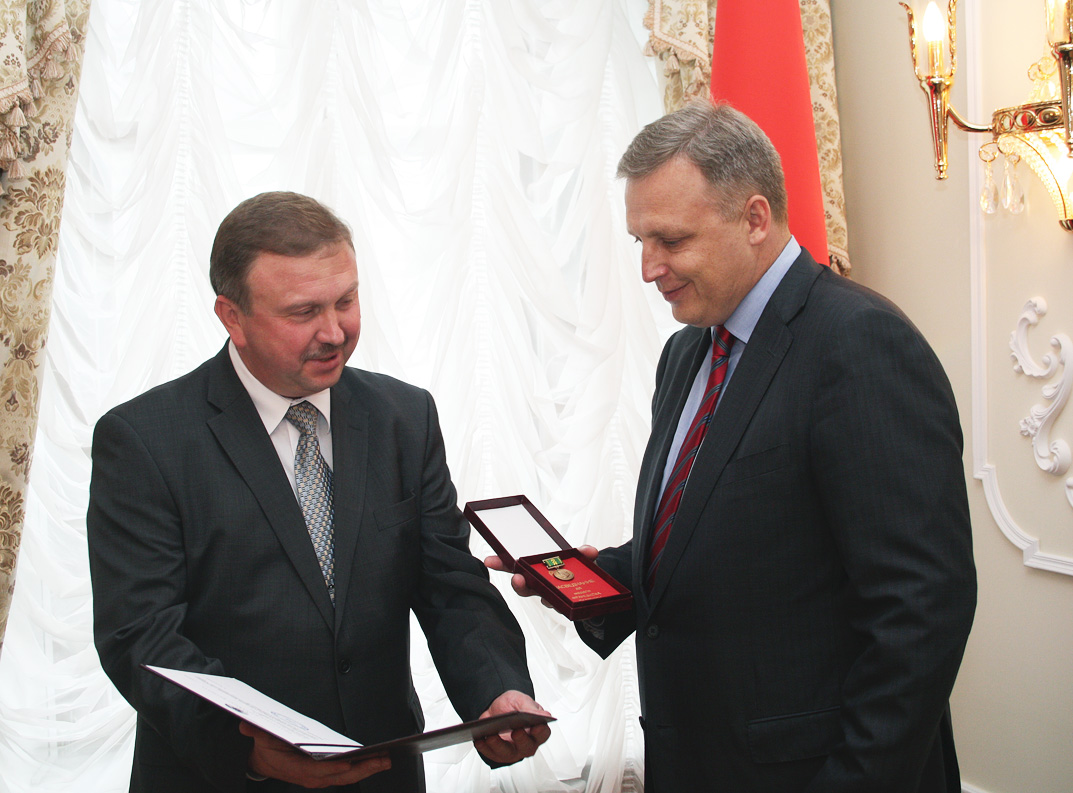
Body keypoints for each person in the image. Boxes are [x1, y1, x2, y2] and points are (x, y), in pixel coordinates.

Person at [488, 102, 976, 792]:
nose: (649, 268)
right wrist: (605, 578)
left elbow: (921, 608)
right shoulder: (687, 353)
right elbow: (737, 537)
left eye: (671, 240)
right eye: (640, 241)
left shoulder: (859, 343)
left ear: (754, 219)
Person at [88, 191, 550, 793]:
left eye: (346, 301)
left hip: (382, 775)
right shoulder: (145, 440)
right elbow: (141, 637)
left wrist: (496, 691)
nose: (335, 332)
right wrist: (249, 750)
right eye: (303, 311)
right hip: (224, 778)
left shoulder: (404, 418)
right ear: (232, 317)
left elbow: (450, 586)